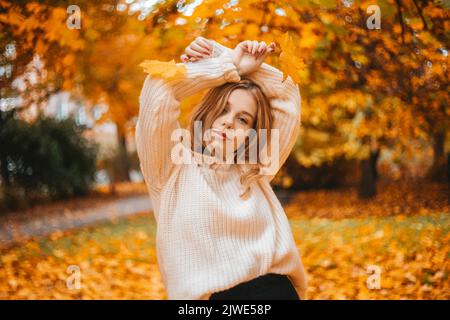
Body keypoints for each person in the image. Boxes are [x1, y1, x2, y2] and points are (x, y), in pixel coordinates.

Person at [135, 37, 308, 300]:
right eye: (223, 110)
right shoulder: (170, 168)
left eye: (243, 119)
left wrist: (240, 64)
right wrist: (226, 64)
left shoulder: (254, 170)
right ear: (208, 111)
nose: (228, 123)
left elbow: (287, 95)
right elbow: (159, 90)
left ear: (252, 134)